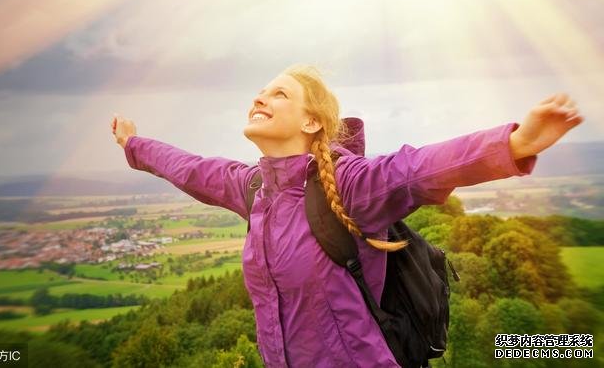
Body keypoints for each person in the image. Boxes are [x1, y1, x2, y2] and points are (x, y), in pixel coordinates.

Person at [111, 64, 584, 367]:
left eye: (278, 94)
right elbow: (192, 170)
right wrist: (135, 145)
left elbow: (418, 169)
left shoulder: (353, 185)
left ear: (311, 121)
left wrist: (515, 143)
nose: (260, 98)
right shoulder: (254, 189)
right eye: (259, 91)